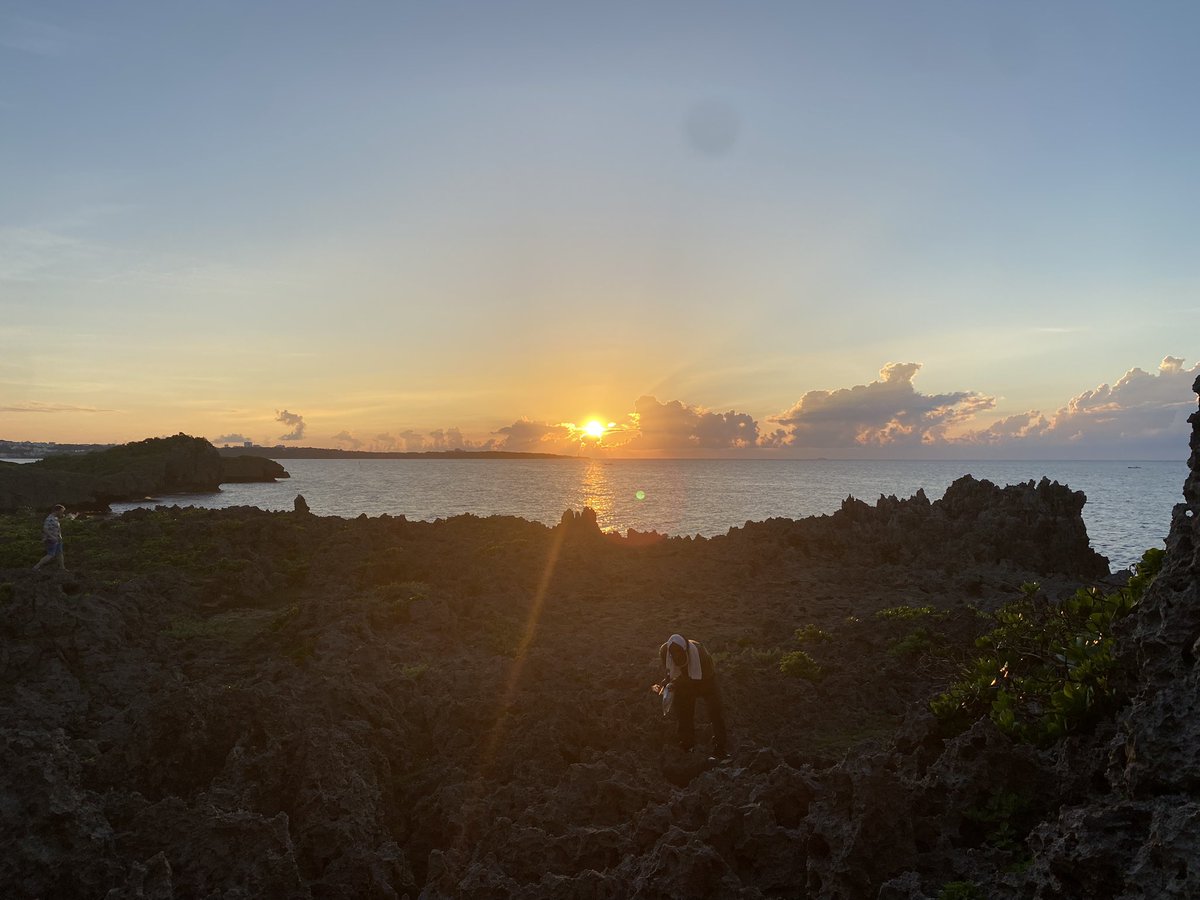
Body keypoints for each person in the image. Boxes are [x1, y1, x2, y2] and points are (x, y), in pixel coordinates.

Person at [654, 633, 728, 757]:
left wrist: (676, 682)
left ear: (686, 651)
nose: (677, 658)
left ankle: (720, 748)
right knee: (684, 713)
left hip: (706, 681)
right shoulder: (664, 651)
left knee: (715, 712)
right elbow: (669, 672)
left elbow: (699, 679)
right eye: (674, 656)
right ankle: (687, 746)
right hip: (683, 681)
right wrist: (667, 682)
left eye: (680, 655)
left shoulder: (701, 655)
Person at [33, 504, 67, 571]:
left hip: (58, 539)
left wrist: (59, 537)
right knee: (50, 555)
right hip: (51, 540)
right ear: (57, 511)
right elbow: (45, 529)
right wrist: (52, 537)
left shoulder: (55, 518)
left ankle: (62, 568)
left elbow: (56, 527)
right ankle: (36, 567)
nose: (62, 513)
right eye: (61, 511)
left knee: (60, 553)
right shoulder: (49, 519)